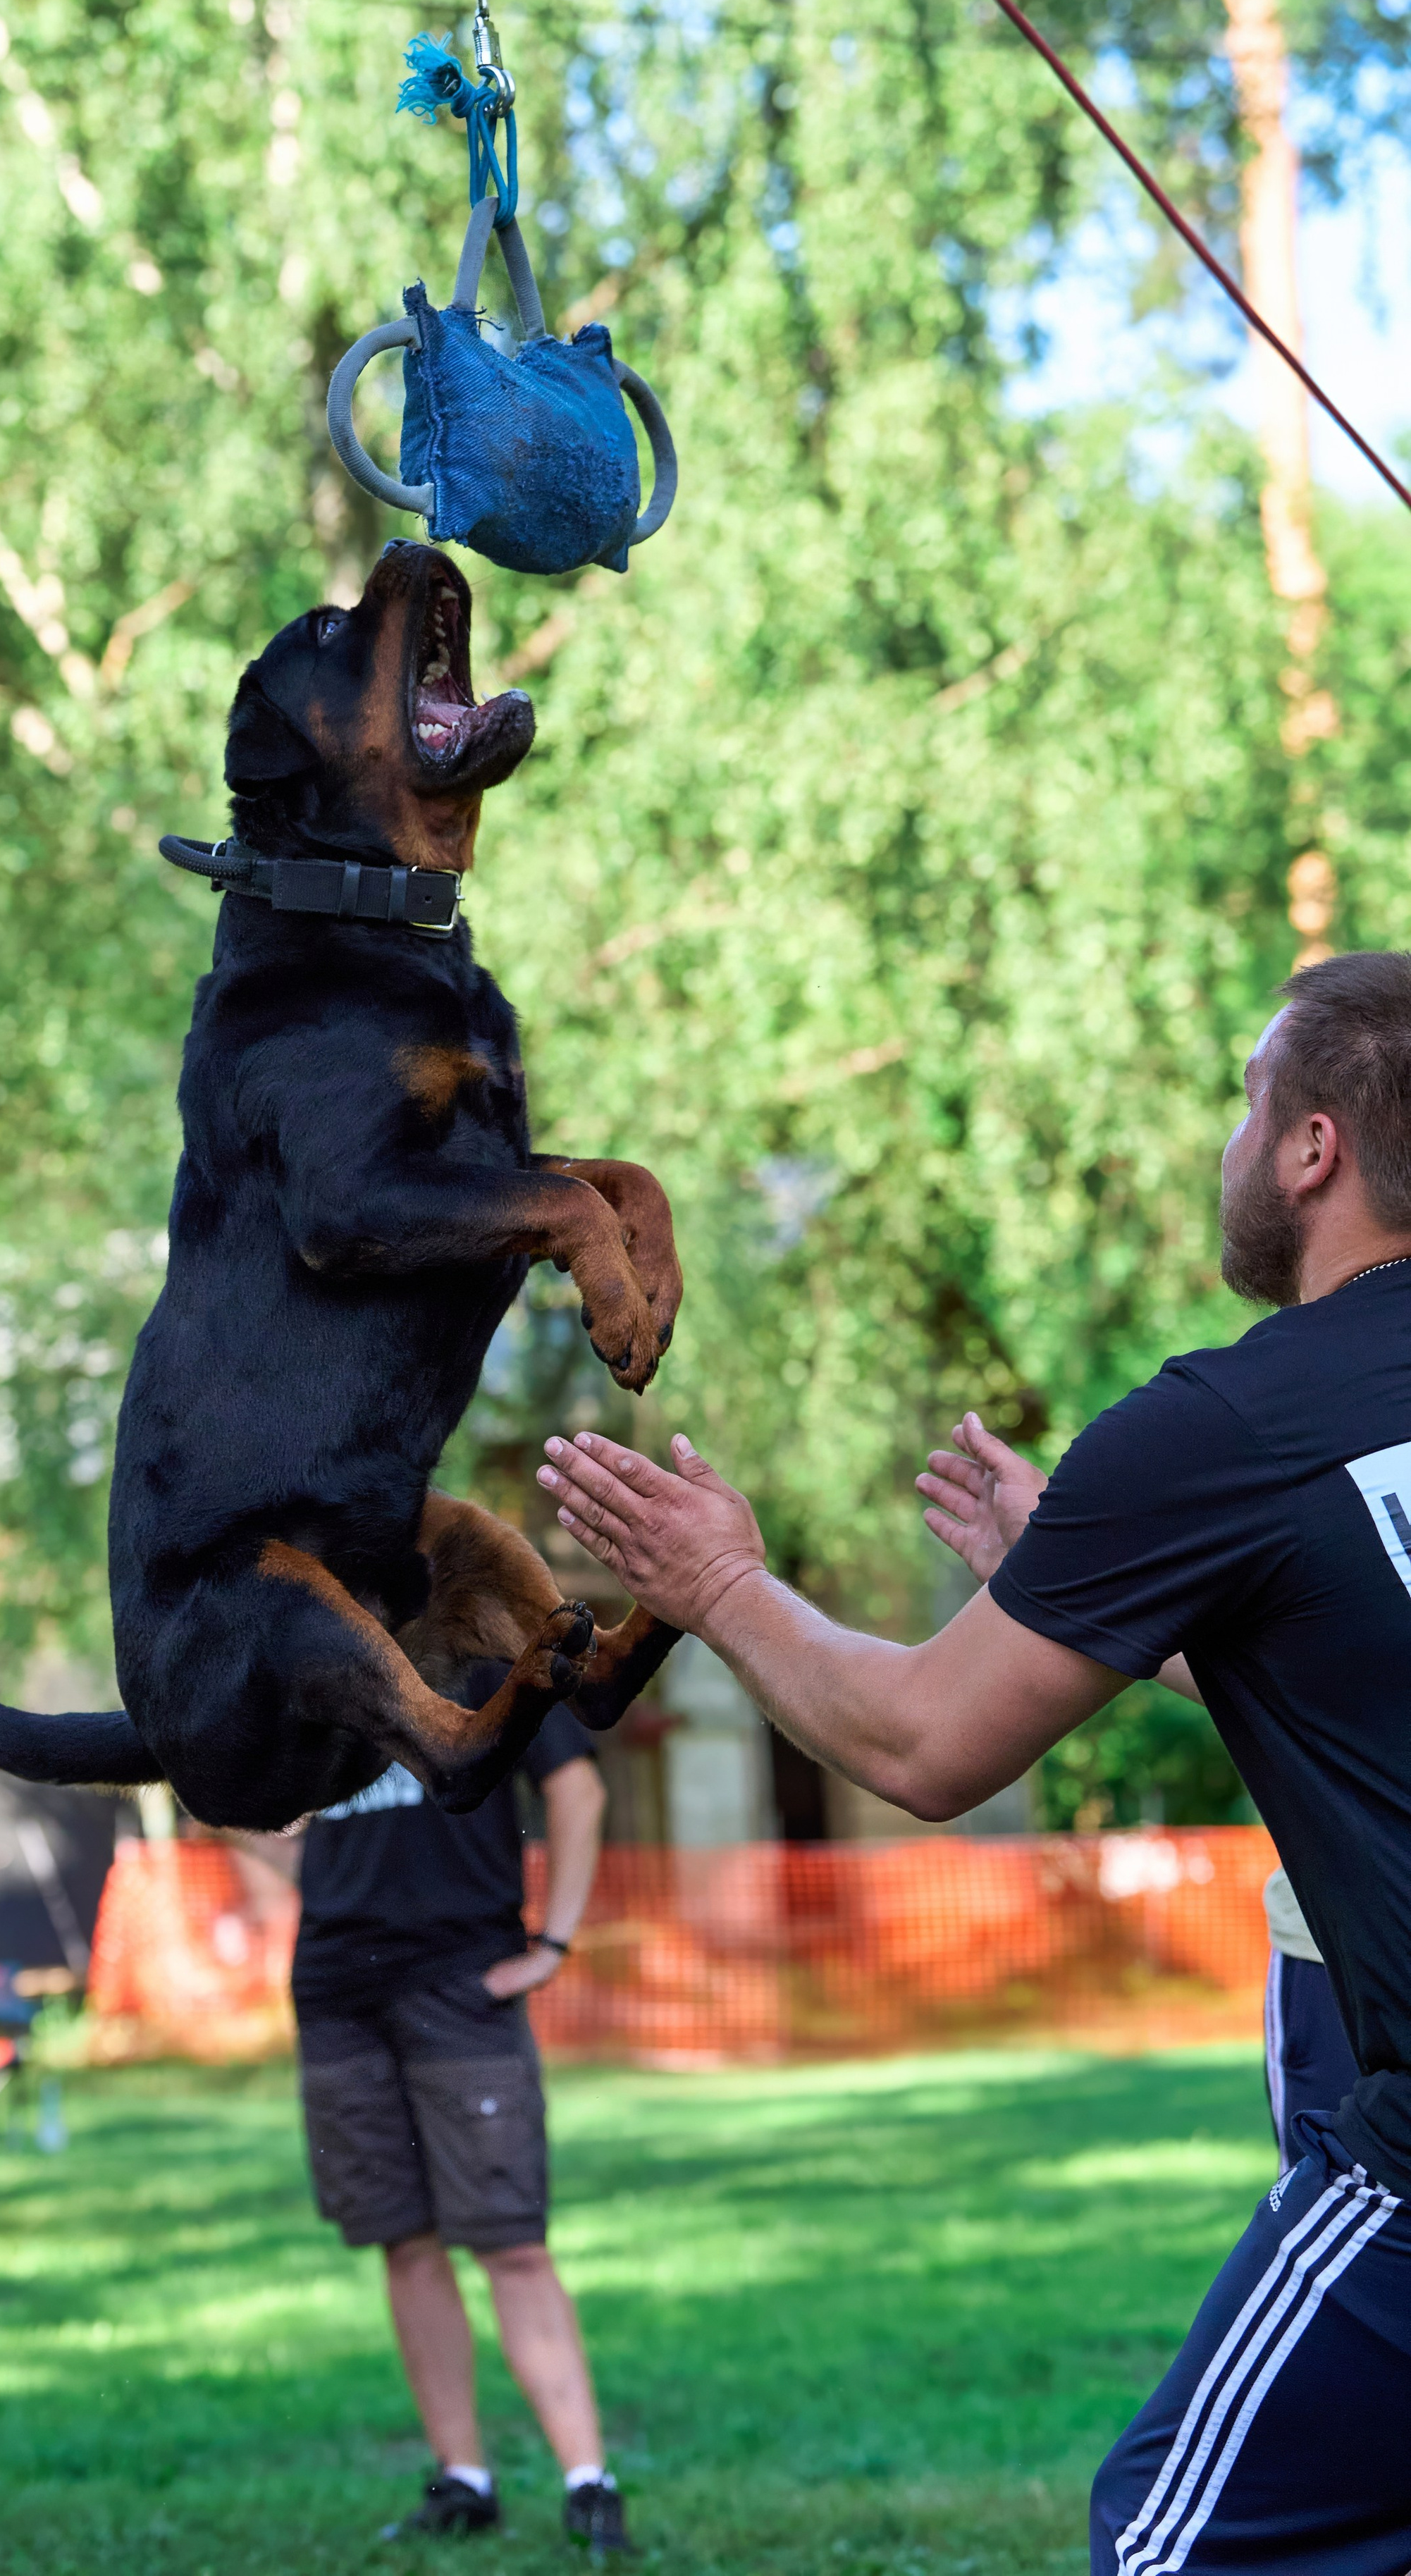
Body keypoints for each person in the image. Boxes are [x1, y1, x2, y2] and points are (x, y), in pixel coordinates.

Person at [535, 951, 1411, 2570]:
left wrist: (718, 1582)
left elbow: (917, 1738)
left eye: (1241, 1101)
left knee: (1172, 2540)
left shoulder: (1225, 1423)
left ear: (1309, 1148)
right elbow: (1356, 1660)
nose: (1226, 1142)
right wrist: (1104, 1607)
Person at [230, 1657, 630, 2551]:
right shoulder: (314, 1675)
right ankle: (464, 2481)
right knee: (402, 2242)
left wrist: (554, 1940)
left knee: (510, 2242)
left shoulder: (487, 1665)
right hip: (336, 1991)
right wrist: (237, 1821)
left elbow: (577, 1789)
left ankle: (589, 2486)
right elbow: (294, 1841)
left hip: (461, 1986)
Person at [915, 1408, 1361, 2177]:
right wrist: (1088, 1594)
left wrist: (720, 1584)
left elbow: (912, 1749)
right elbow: (1314, 1690)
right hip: (1336, 1960)